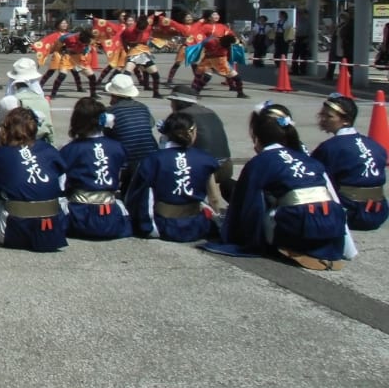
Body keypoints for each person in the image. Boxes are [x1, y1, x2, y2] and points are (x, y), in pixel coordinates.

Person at [223, 102, 354, 271]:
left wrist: (236, 232)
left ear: (258, 137)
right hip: (332, 221)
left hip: (300, 223)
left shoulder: (261, 160)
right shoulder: (306, 157)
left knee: (260, 202)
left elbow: (248, 203)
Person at [0, 107, 68, 252]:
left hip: (13, 232)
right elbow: (62, 181)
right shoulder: (49, 149)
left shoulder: (1, 154)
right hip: (54, 227)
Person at [125, 112, 223, 242]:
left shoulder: (154, 159)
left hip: (165, 224)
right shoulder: (205, 158)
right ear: (192, 132)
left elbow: (137, 194)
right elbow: (214, 198)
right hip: (196, 225)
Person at [312, 94, 387, 231]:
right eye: (322, 115)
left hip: (350, 212)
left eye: (328, 116)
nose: (322, 119)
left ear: (345, 120)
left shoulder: (330, 148)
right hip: (378, 211)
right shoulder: (375, 146)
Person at [59, 97, 131, 240]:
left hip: (80, 215)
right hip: (110, 215)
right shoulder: (117, 147)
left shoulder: (69, 150)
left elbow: (60, 185)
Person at [165, 84, 234, 201]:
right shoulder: (210, 112)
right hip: (226, 166)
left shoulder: (180, 118)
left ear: (177, 103)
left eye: (172, 102)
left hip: (204, 169)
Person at [103, 74, 158, 192]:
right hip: (150, 156)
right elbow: (150, 124)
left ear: (114, 95)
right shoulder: (143, 107)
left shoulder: (110, 111)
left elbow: (105, 133)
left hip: (127, 162)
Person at [1, 57, 54, 142]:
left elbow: (1, 123)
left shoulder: (12, 100)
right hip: (42, 141)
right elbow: (50, 127)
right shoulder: (44, 100)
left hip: (19, 142)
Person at [323, 10, 354, 82]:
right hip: (336, 44)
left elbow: (348, 35)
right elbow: (334, 33)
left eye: (344, 16)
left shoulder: (350, 25)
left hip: (344, 45)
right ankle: (329, 75)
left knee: (343, 61)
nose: (342, 18)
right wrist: (331, 28)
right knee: (332, 59)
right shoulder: (340, 24)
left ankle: (343, 77)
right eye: (341, 16)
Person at [291, 9, 312, 75]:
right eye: (300, 14)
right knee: (295, 56)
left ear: (306, 15)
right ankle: (295, 70)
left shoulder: (308, 22)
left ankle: (303, 70)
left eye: (303, 14)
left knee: (303, 56)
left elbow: (310, 33)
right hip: (298, 38)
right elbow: (297, 31)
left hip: (304, 39)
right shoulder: (299, 21)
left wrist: (307, 40)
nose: (301, 15)